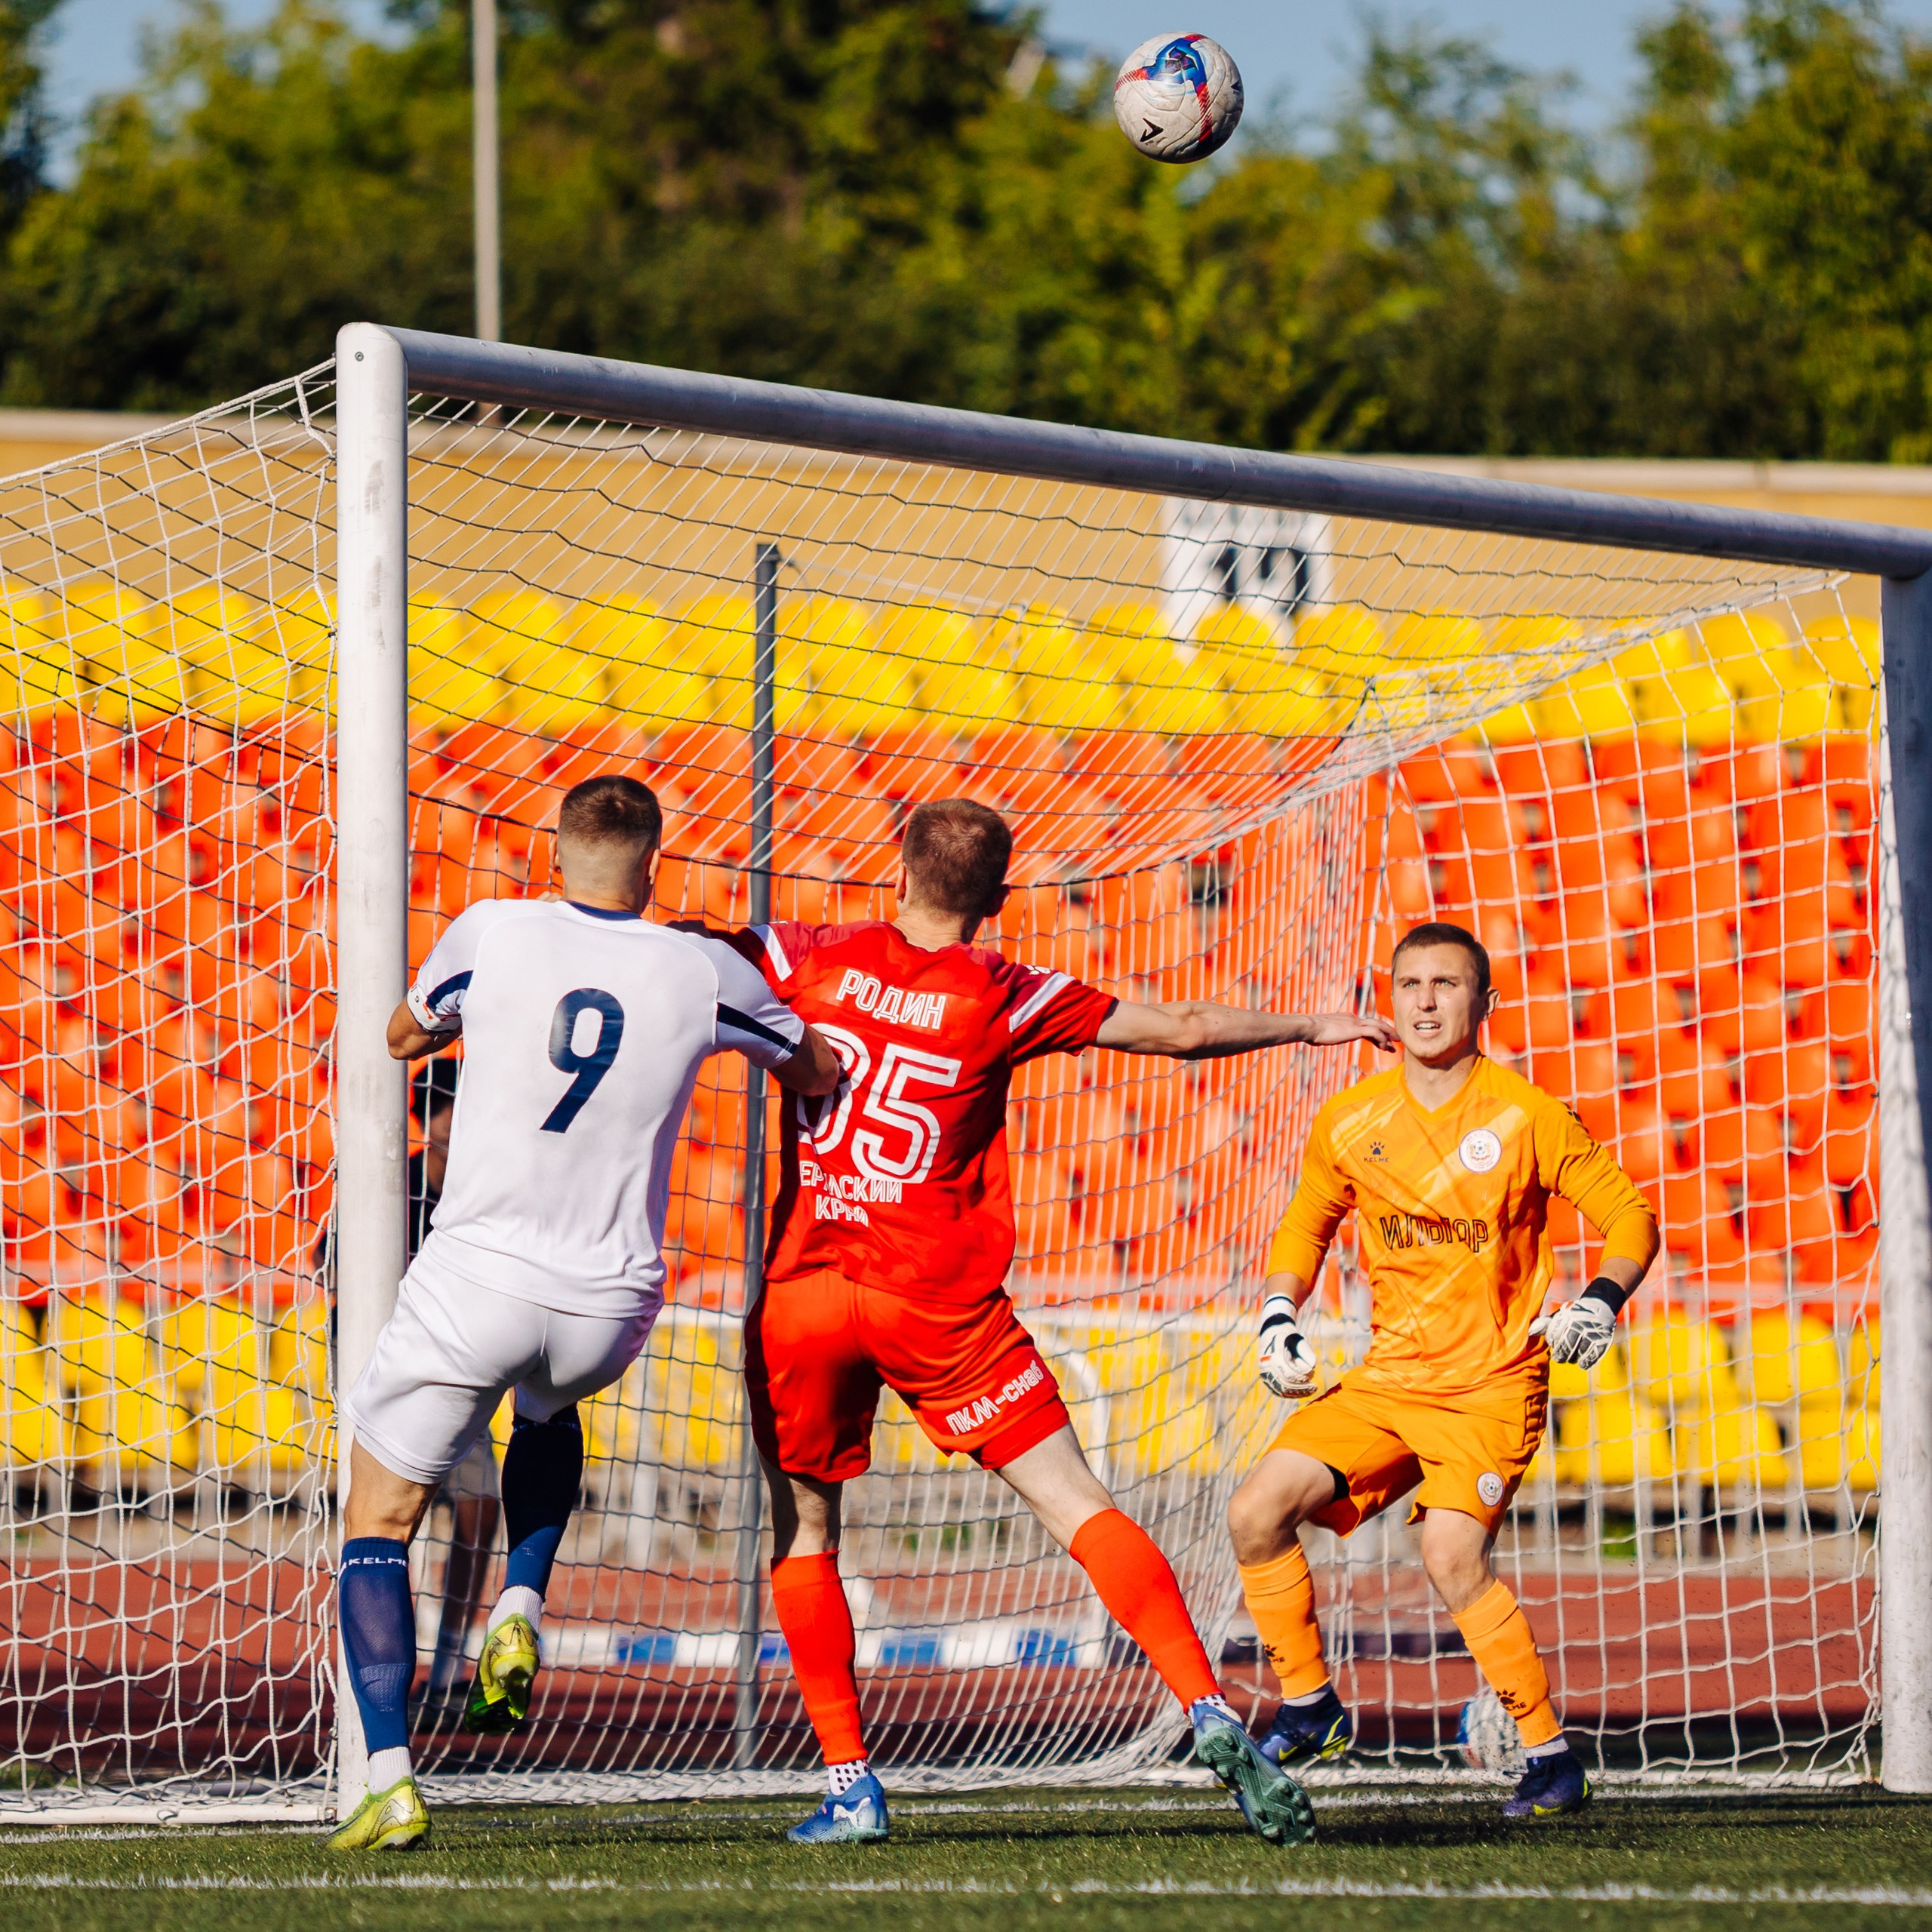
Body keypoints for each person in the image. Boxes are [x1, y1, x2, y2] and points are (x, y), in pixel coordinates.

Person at [715, 798, 1395, 1848]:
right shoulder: (1002, 990)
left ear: (899, 869)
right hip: (937, 1302)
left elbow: (681, 967)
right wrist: (1312, 1024)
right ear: (996, 897)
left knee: (806, 1530)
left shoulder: (803, 953)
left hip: (806, 1289)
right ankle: (1207, 1706)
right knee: (1077, 1503)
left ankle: (851, 1784)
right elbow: (1183, 1030)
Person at [328, 774, 840, 1853]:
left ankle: (387, 1777)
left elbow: (403, 1037)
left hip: (479, 1280)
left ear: (554, 853)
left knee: (377, 1521)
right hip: (610, 1300)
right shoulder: (702, 969)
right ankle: (520, 1604)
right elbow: (813, 1069)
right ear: (655, 865)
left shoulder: (493, 929)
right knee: (549, 1413)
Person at [1226, 920, 1658, 1821]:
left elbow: (1631, 1219)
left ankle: (1549, 1758)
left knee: (1450, 1554)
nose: (1425, 1002)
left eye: (1446, 984)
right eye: (1410, 984)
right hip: (1389, 1379)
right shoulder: (1351, 1118)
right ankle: (1308, 1705)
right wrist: (1276, 1312)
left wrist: (1598, 1301)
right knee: (1254, 1512)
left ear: (1484, 1002)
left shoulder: (1526, 1114)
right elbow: (1306, 1224)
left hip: (1490, 1385)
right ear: (1390, 1000)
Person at [405, 1057, 506, 1712]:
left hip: (462, 1376)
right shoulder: (397, 1187)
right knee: (397, 1519)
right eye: (447, 1110)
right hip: (401, 1376)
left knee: (481, 1508)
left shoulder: (485, 1188)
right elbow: (332, 1268)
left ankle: (447, 1661)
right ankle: (392, 1660)